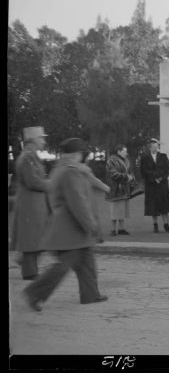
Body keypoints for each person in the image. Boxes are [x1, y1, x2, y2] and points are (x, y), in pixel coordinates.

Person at [23, 138, 108, 311]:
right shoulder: (70, 172)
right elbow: (78, 202)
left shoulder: (64, 169)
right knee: (63, 265)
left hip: (71, 227)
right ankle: (34, 292)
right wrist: (91, 226)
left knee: (86, 262)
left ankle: (90, 294)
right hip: (70, 228)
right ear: (77, 154)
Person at [10, 126, 51, 280]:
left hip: (35, 203)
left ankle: (25, 263)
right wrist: (51, 184)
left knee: (37, 237)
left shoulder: (32, 157)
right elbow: (33, 181)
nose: (44, 141)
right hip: (29, 204)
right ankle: (29, 271)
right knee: (31, 238)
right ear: (32, 140)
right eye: (41, 138)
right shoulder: (27, 158)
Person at [139, 138, 169, 233]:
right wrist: (153, 179)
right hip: (151, 185)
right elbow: (143, 171)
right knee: (152, 205)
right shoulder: (144, 157)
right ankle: (155, 225)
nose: (156, 148)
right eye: (154, 147)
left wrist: (161, 178)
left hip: (162, 184)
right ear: (149, 148)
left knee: (164, 205)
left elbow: (168, 169)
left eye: (157, 147)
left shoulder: (163, 156)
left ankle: (166, 225)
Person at [106, 144, 134, 236]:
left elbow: (130, 173)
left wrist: (132, 178)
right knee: (115, 210)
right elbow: (112, 174)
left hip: (124, 189)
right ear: (118, 151)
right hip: (115, 189)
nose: (126, 153)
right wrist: (126, 177)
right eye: (124, 151)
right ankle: (113, 230)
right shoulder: (111, 160)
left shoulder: (126, 161)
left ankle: (122, 229)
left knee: (122, 209)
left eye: (126, 151)